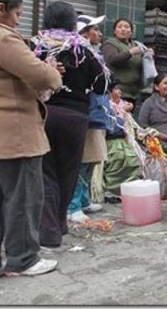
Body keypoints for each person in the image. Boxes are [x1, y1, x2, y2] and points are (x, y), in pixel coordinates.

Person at [0, 0, 62, 284]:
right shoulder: (1, 38)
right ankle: (23, 258)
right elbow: (42, 76)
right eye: (17, 13)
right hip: (13, 136)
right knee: (23, 199)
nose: (18, 20)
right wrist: (51, 70)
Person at [31, 1, 107, 248]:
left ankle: (49, 232)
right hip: (76, 118)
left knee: (46, 172)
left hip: (44, 114)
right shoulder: (84, 49)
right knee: (68, 172)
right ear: (72, 22)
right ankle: (59, 226)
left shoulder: (37, 45)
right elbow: (102, 85)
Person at [67, 14, 109, 222]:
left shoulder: (95, 54)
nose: (99, 34)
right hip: (86, 112)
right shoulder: (78, 55)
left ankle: (83, 200)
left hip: (97, 112)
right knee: (81, 160)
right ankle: (72, 205)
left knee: (92, 158)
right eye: (95, 30)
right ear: (83, 33)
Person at [103, 81, 142, 197]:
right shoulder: (106, 107)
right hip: (110, 141)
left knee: (135, 158)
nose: (120, 92)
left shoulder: (123, 105)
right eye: (116, 89)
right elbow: (112, 129)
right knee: (119, 156)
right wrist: (122, 113)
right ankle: (111, 191)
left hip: (124, 140)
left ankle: (130, 189)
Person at [102, 18, 145, 110]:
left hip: (133, 93)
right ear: (115, 31)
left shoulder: (136, 46)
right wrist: (130, 52)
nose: (123, 29)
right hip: (117, 92)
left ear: (131, 32)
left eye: (126, 27)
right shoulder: (110, 44)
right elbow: (112, 60)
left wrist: (148, 56)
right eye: (119, 27)